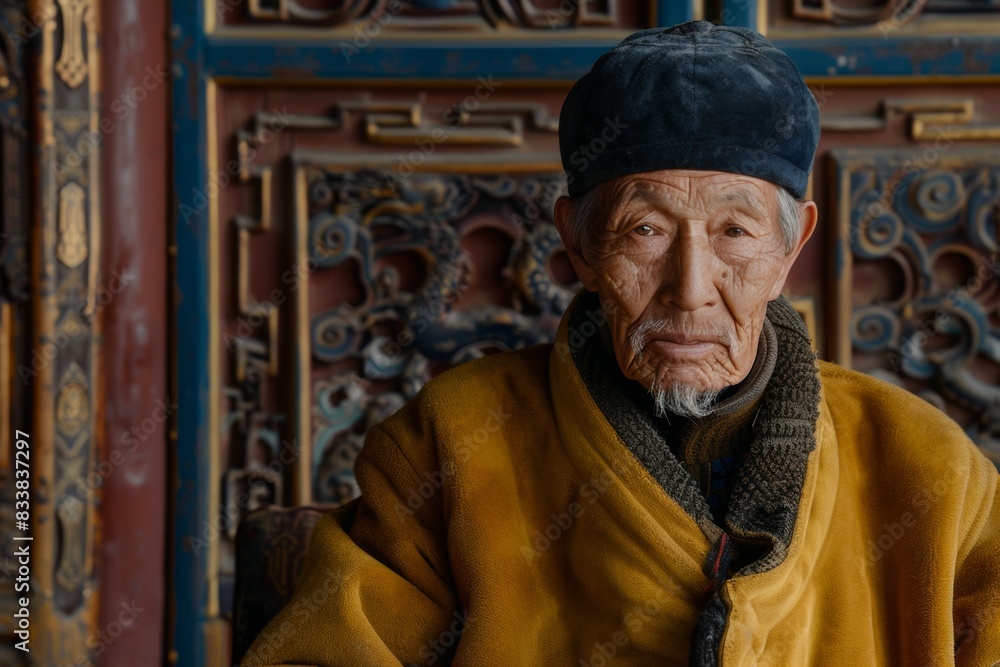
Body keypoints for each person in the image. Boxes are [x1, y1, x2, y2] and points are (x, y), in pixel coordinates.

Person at [241, 21, 1000, 666]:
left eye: (734, 232)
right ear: (578, 243)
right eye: (646, 230)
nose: (690, 286)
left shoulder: (928, 468)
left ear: (791, 247)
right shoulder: (452, 441)